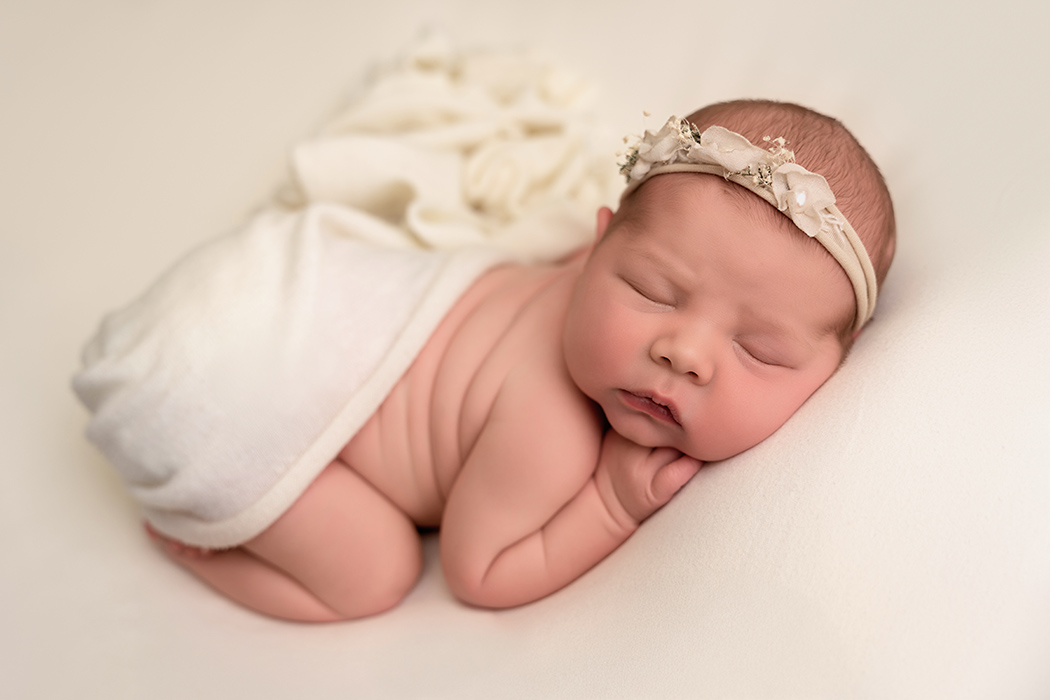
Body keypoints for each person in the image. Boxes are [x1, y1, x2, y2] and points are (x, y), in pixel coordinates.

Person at [78, 99, 896, 622]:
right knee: (373, 574)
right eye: (650, 290)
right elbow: (481, 569)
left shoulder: (582, 288)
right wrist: (611, 502)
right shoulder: (551, 427)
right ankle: (197, 543)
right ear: (599, 244)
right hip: (228, 378)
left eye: (756, 350)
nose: (680, 351)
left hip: (243, 294)